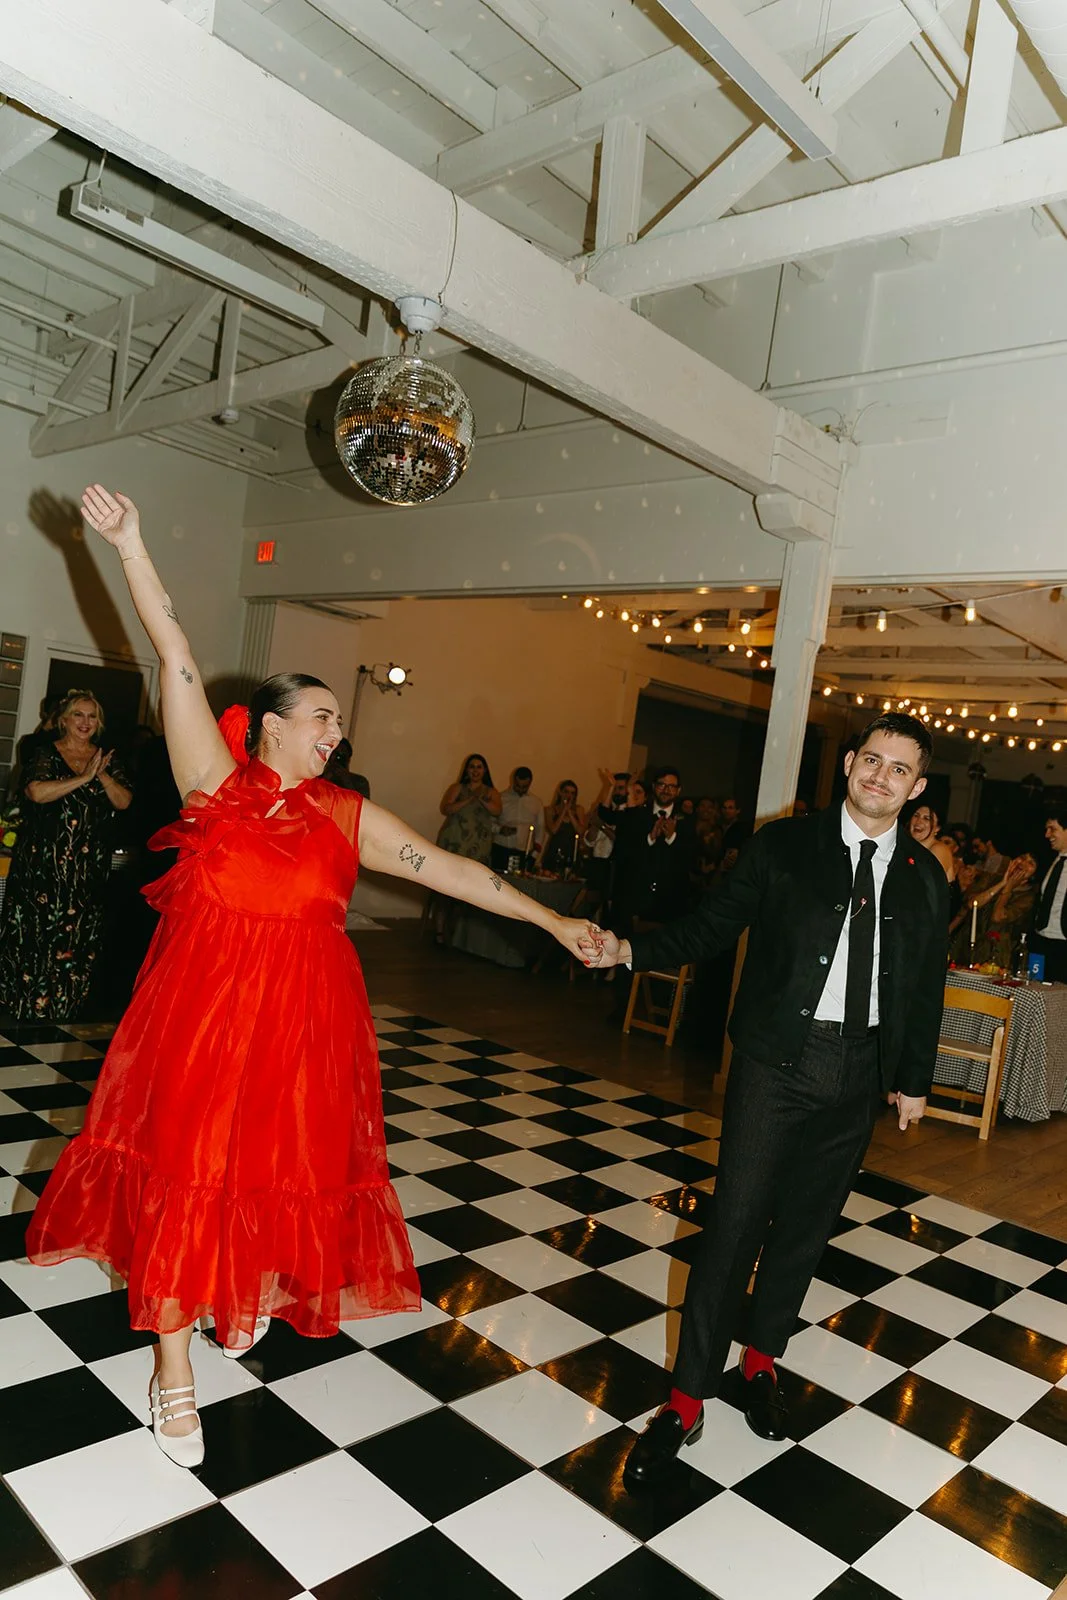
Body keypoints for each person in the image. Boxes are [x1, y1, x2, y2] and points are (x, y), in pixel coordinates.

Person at [26, 484, 597, 1472]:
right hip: (202, 1013)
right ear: (269, 725)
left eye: (338, 721)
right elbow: (175, 653)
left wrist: (552, 916)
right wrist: (131, 547)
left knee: (265, 1168)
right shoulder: (210, 780)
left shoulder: (343, 813)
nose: (334, 731)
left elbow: (448, 868)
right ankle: (170, 1369)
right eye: (320, 715)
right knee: (188, 1166)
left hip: (303, 1023)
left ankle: (225, 1292)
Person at [585, 713, 948, 1489]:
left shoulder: (923, 875)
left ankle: (758, 1367)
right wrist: (629, 949)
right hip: (773, 1066)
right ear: (848, 763)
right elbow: (711, 927)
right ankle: (684, 1401)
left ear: (916, 789)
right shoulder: (782, 847)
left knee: (805, 1231)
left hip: (860, 1072)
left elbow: (922, 984)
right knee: (734, 1229)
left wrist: (912, 1079)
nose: (879, 777)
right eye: (870, 760)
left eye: (898, 770)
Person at [0, 688, 132, 1021]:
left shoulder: (107, 759)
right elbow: (36, 792)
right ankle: (23, 1010)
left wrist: (99, 774)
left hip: (85, 873)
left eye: (91, 716)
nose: (85, 722)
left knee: (77, 943)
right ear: (64, 720)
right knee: (33, 939)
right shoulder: (45, 752)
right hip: (41, 868)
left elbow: (124, 801)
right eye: (78, 714)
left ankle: (65, 1012)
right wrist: (82, 778)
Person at [608, 766, 696, 934]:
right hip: (635, 902)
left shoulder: (688, 822)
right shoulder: (634, 816)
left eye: (671, 786)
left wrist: (672, 838)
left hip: (669, 904)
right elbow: (622, 854)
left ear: (678, 791)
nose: (666, 790)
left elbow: (690, 860)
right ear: (654, 787)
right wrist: (650, 839)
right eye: (662, 785)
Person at [964, 854, 1038, 968]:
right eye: (1022, 858)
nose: (1023, 863)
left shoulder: (1028, 897)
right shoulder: (990, 878)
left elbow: (998, 917)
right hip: (970, 946)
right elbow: (972, 904)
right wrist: (1002, 883)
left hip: (999, 955)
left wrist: (1008, 889)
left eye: (1031, 863)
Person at [437, 754, 501, 865]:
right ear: (467, 770)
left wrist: (481, 798)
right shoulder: (457, 788)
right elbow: (446, 809)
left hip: (479, 842)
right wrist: (468, 799)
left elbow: (497, 811)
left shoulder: (491, 791)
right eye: (472, 767)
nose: (475, 770)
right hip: (455, 838)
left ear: (485, 770)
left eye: (479, 767)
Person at [1032, 808, 1067, 982]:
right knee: (1036, 989)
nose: (1047, 835)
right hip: (1041, 941)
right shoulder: (1049, 860)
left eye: (1052, 829)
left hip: (1064, 944)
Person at [491, 765, 544, 873]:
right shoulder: (501, 798)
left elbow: (540, 829)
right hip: (501, 848)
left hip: (525, 851)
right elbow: (489, 821)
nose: (520, 789)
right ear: (513, 781)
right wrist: (500, 829)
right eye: (518, 786)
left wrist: (534, 855)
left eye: (524, 787)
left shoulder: (536, 802)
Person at [542, 779, 587, 874]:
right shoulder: (550, 810)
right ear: (560, 792)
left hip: (572, 850)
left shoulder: (579, 810)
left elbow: (580, 831)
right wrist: (563, 812)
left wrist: (570, 813)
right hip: (555, 849)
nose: (569, 795)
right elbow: (553, 830)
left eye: (572, 793)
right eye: (566, 792)